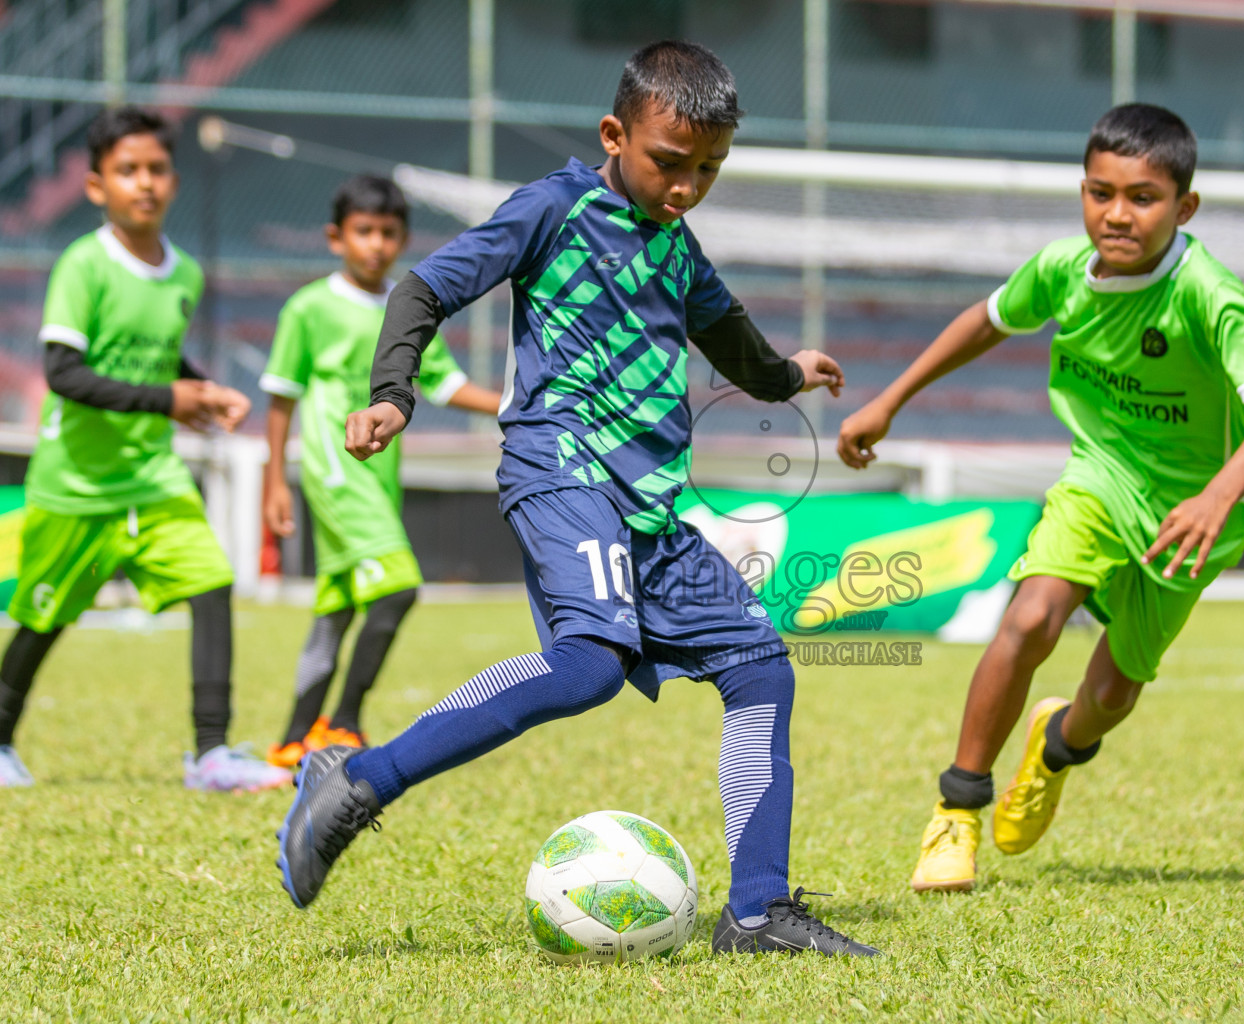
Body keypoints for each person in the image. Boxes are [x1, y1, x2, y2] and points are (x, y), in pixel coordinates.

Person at [274, 41, 881, 957]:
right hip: (560, 468)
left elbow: (740, 351)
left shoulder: (680, 251)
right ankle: (353, 780)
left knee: (762, 667)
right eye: (670, 164)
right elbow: (423, 289)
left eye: (708, 171)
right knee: (589, 663)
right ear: (614, 134)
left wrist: (792, 371)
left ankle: (757, 912)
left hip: (650, 509)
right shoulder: (554, 206)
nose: (685, 187)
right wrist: (393, 396)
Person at [836, 104, 1244, 893]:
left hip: (1191, 518)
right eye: (1100, 192)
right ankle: (956, 812)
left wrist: (1218, 496)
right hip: (1097, 478)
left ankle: (1055, 745)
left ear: (1184, 207)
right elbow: (988, 321)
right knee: (1029, 618)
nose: (1117, 213)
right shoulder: (1062, 268)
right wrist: (891, 400)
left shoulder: (1209, 294)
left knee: (1112, 695)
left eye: (1143, 197)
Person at [0, 106, 290, 792]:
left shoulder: (184, 273)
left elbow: (160, 359)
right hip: (78, 485)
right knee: (45, 617)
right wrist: (171, 400)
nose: (144, 183)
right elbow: (65, 374)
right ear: (97, 187)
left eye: (156, 169)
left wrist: (202, 390)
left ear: (174, 180)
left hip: (154, 479)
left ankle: (212, 754)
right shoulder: (84, 265)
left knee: (212, 584)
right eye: (126, 171)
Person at [260, 175, 501, 767]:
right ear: (335, 237)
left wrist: (514, 403)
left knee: (338, 606)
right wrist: (273, 481)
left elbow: (442, 381)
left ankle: (294, 736)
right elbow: (282, 398)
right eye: (363, 232)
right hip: (334, 470)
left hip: (379, 478)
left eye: (388, 234)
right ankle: (343, 724)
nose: (376, 245)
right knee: (398, 588)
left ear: (403, 239)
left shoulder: (408, 305)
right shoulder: (309, 307)